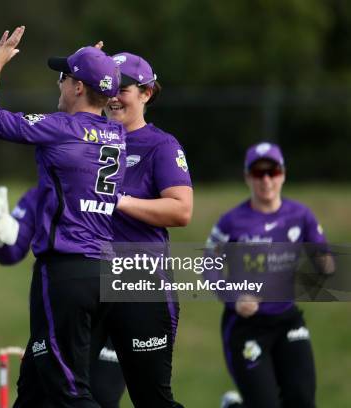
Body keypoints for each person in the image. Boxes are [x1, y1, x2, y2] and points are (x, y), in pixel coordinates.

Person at [0, 26, 126, 407]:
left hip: (65, 273)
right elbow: (98, 91)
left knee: (69, 392)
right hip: (103, 272)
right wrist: (93, 64)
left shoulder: (60, 128)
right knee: (36, 389)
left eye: (64, 77)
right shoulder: (116, 135)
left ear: (76, 88)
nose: (59, 84)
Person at [205, 142, 334, 408]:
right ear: (247, 177)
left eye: (272, 172)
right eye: (258, 173)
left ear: (283, 174)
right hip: (246, 326)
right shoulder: (231, 222)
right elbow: (208, 267)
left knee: (301, 399)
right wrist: (234, 299)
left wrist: (324, 265)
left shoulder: (301, 215)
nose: (266, 180)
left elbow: (325, 259)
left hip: (287, 321)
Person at [0, 185, 126, 408]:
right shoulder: (43, 193)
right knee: (42, 398)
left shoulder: (118, 188)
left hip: (114, 306)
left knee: (100, 394)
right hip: (59, 314)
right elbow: (11, 252)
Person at [105, 51, 192, 408]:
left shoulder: (161, 146)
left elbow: (181, 209)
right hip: (88, 278)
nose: (113, 95)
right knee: (83, 395)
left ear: (146, 93)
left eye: (123, 88)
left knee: (151, 399)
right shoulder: (88, 137)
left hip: (140, 280)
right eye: (107, 85)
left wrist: (119, 200)